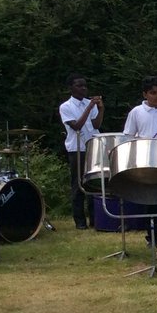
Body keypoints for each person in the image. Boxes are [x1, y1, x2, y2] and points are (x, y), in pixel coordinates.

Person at [123, 76, 157, 245]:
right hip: (146, 161)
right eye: (153, 93)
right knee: (150, 202)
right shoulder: (136, 112)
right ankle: (152, 237)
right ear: (145, 94)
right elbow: (128, 137)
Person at [59, 74, 104, 230]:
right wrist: (89, 107)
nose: (83, 89)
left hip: (92, 145)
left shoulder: (88, 103)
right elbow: (77, 125)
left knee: (92, 182)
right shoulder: (66, 107)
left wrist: (100, 109)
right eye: (79, 86)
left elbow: (96, 124)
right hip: (76, 148)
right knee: (78, 184)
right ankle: (80, 221)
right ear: (71, 87)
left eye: (85, 86)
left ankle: (95, 219)